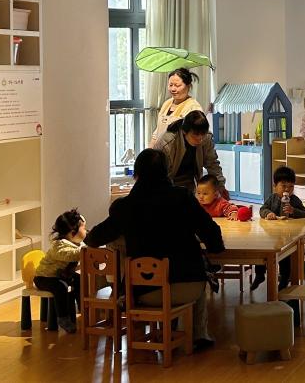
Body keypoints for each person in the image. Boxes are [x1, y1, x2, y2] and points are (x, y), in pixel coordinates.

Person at [86, 149, 224, 350]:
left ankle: (151, 331)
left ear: (136, 174)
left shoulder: (126, 206)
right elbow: (211, 233)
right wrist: (215, 249)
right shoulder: (183, 197)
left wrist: (85, 235)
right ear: (167, 172)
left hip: (146, 291)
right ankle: (197, 335)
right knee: (199, 273)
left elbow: (96, 238)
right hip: (189, 286)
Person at [250, 167, 305, 291]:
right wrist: (268, 214)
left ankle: (284, 279)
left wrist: (293, 211)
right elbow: (262, 209)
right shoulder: (272, 198)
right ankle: (260, 274)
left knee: (285, 255)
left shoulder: (294, 200)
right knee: (261, 248)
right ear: (275, 186)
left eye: (291, 186)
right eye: (283, 186)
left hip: (288, 235)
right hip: (271, 235)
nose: (287, 189)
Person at [33, 208, 86, 333]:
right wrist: (86, 249)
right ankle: (63, 318)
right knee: (61, 287)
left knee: (79, 279)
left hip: (60, 275)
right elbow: (71, 255)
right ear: (72, 233)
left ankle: (82, 308)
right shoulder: (60, 245)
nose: (86, 231)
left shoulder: (77, 243)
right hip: (44, 278)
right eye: (84, 228)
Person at [154, 110, 224, 193]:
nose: (200, 139)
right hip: (167, 184)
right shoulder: (168, 143)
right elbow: (161, 176)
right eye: (195, 135)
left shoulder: (206, 137)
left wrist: (220, 186)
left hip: (189, 185)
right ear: (184, 131)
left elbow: (212, 164)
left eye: (203, 135)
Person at [148, 68, 202, 147]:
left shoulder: (193, 107)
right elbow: (157, 133)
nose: (173, 89)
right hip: (160, 151)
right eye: (170, 85)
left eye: (177, 85)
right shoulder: (167, 103)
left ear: (188, 86)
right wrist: (149, 150)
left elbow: (196, 137)